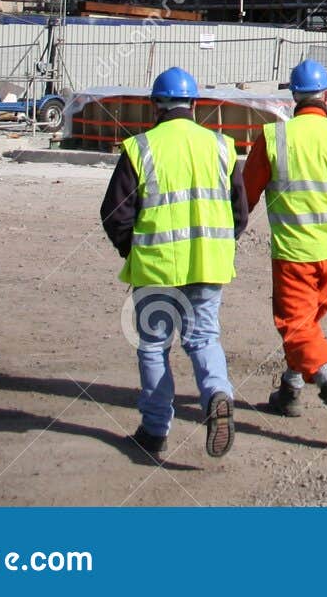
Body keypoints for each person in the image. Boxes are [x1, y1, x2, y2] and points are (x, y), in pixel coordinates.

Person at [100, 66, 249, 461]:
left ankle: (154, 431)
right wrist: (218, 245)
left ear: (156, 106)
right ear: (194, 104)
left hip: (156, 268)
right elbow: (240, 211)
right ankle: (217, 394)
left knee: (153, 347)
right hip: (208, 266)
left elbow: (114, 213)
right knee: (204, 338)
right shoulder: (221, 146)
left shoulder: (141, 148)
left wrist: (132, 250)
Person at [241, 58, 327, 446]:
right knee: (308, 323)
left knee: (296, 326)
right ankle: (290, 389)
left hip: (294, 252)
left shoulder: (274, 138)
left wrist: (225, 234)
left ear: (293, 99)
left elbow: (246, 195)